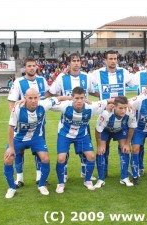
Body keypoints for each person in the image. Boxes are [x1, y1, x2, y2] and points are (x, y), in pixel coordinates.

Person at [51, 87, 113, 193]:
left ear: (85, 98)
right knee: (61, 158)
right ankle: (60, 183)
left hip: (82, 135)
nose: (79, 101)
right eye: (76, 98)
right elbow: (47, 103)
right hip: (64, 134)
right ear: (72, 98)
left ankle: (87, 180)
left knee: (91, 156)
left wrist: (128, 104)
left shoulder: (92, 107)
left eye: (81, 98)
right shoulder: (65, 106)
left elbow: (110, 100)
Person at [49, 53, 98, 182]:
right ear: (69, 63)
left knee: (84, 147)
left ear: (81, 63)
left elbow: (92, 92)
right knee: (65, 148)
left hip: (83, 118)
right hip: (68, 116)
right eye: (73, 61)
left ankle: (84, 171)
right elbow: (52, 92)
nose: (76, 63)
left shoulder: (86, 77)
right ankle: (64, 173)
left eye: (78, 61)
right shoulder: (62, 77)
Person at [3, 88, 60, 198]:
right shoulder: (18, 109)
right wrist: (11, 147)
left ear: (38, 98)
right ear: (25, 98)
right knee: (8, 158)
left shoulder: (43, 105)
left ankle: (42, 185)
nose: (33, 100)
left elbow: (58, 98)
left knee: (45, 158)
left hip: (36, 138)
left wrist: (72, 98)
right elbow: (10, 128)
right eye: (30, 98)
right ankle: (11, 188)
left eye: (35, 98)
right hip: (18, 138)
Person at [91, 50, 136, 177]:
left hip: (121, 113)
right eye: (110, 58)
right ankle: (103, 170)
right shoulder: (97, 73)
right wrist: (101, 97)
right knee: (104, 145)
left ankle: (125, 170)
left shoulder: (124, 72)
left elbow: (135, 83)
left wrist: (129, 102)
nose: (113, 61)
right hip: (105, 114)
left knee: (124, 144)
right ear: (105, 60)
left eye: (115, 58)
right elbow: (87, 86)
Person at [8, 56, 50, 187]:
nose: (32, 68)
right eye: (29, 66)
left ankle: (39, 177)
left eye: (34, 66)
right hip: (22, 123)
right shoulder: (19, 82)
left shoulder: (42, 80)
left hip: (39, 123)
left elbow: (48, 95)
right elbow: (12, 102)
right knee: (19, 151)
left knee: (39, 150)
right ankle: (19, 178)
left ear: (37, 67)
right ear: (25, 68)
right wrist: (16, 118)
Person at [95, 96, 136, 188]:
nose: (123, 110)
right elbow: (98, 129)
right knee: (102, 150)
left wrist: (127, 143)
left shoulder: (130, 112)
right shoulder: (106, 113)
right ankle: (101, 179)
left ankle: (124, 178)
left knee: (125, 149)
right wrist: (99, 144)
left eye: (125, 107)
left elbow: (132, 127)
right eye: (120, 108)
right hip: (105, 131)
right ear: (114, 106)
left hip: (120, 129)